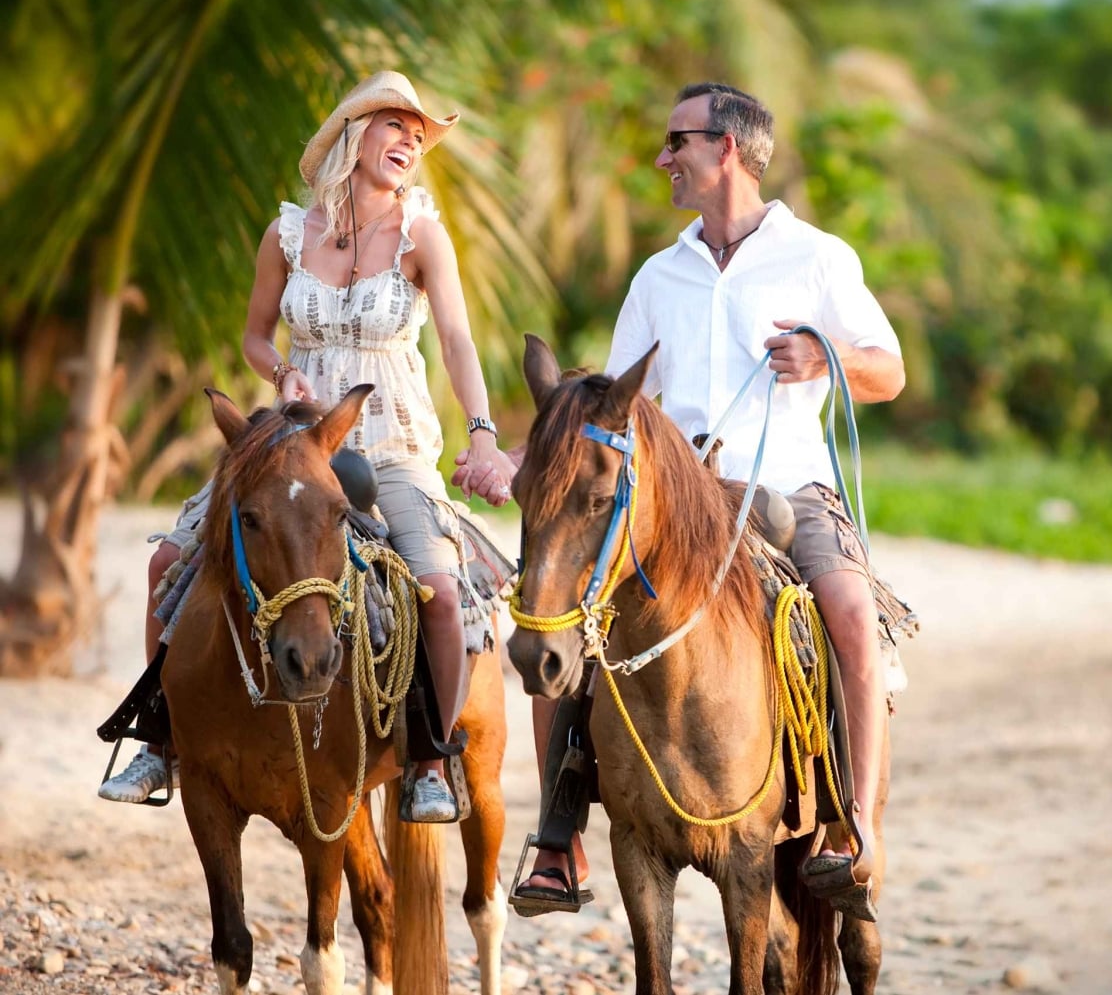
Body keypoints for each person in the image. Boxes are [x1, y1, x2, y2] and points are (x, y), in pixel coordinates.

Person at [518, 82, 904, 910]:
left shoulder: (819, 257)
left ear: (728, 148)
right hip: (676, 501)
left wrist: (825, 355)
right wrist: (524, 456)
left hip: (791, 488)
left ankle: (854, 832)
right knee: (563, 619)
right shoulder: (660, 274)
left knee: (850, 617)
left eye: (676, 142)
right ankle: (557, 842)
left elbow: (889, 369)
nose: (665, 160)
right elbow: (608, 405)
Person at [98, 71, 517, 823]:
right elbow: (257, 336)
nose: (411, 143)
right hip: (292, 445)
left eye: (420, 136)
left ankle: (430, 758)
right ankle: (159, 740)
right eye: (397, 126)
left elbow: (455, 338)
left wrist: (481, 428)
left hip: (389, 442)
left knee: (442, 592)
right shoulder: (288, 234)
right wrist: (282, 370)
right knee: (170, 560)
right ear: (355, 134)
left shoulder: (423, 234)